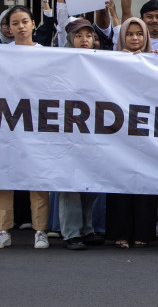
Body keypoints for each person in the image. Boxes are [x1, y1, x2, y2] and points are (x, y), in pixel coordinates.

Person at [0, 5, 50, 249]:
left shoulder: (46, 53)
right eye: (15, 23)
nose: (21, 26)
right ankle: (3, 229)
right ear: (9, 28)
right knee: (3, 173)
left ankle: (40, 230)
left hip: (36, 122)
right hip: (6, 121)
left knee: (38, 176)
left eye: (25, 21)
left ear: (33, 24)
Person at [106, 17, 158, 248]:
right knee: (120, 181)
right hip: (118, 131)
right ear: (122, 37)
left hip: (147, 131)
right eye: (130, 34)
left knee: (145, 180)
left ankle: (143, 232)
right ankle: (120, 232)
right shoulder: (109, 61)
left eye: (139, 34)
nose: (135, 38)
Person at [57, 19, 105, 250]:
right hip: (69, 129)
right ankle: (71, 232)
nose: (84, 40)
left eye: (88, 35)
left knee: (91, 183)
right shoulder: (60, 62)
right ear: (70, 39)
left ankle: (87, 228)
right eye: (78, 36)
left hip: (93, 130)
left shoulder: (102, 60)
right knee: (70, 182)